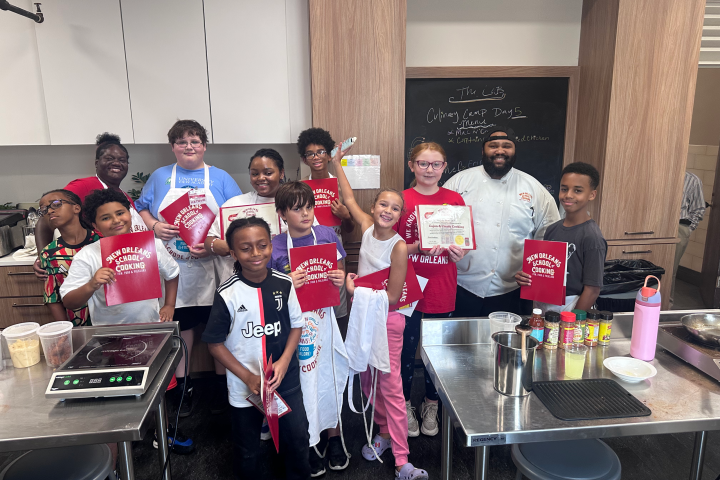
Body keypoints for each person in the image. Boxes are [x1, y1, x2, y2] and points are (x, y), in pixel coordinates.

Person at [58, 188, 192, 461]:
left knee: (159, 389)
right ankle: (115, 448)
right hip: (110, 339)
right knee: (115, 398)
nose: (116, 220)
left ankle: (162, 432)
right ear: (94, 226)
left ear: (129, 214)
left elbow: (173, 272)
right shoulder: (88, 256)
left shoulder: (150, 245)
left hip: (152, 332)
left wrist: (169, 305)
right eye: (106, 218)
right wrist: (93, 283)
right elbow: (70, 301)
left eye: (120, 213)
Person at [331, 149, 428, 480]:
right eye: (383, 204)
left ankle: (402, 461)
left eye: (395, 208)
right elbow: (347, 195)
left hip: (388, 319)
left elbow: (389, 296)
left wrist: (353, 288)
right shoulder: (367, 226)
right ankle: (384, 433)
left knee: (391, 387)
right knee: (368, 379)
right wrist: (336, 163)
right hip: (363, 317)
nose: (388, 210)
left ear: (401, 215)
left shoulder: (399, 246)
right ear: (373, 208)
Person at [135, 119, 243, 418]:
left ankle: (224, 389)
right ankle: (184, 389)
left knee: (219, 330)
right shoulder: (160, 177)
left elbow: (237, 217)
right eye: (181, 141)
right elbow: (140, 207)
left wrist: (217, 241)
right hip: (175, 270)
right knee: (181, 331)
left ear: (204, 145)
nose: (189, 146)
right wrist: (155, 225)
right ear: (173, 147)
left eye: (195, 140)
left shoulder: (219, 178)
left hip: (215, 267)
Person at [202, 217, 310, 480]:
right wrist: (248, 377)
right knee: (247, 448)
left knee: (296, 438)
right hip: (244, 386)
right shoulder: (227, 293)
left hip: (285, 380)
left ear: (271, 246)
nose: (255, 254)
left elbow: (297, 326)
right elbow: (215, 344)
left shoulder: (284, 284)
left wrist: (284, 361)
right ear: (233, 253)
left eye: (262, 245)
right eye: (246, 248)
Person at [269, 181, 349, 476]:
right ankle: (308, 441)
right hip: (295, 325)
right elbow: (272, 293)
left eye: (309, 207)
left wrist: (339, 278)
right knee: (302, 382)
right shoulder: (275, 246)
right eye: (297, 209)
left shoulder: (327, 234)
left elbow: (340, 268)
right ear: (282, 214)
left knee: (329, 373)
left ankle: (334, 436)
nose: (305, 214)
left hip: (325, 319)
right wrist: (289, 283)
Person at [443, 127, 560, 317]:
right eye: (493, 146)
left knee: (505, 344)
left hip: (513, 288)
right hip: (462, 285)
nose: (500, 151)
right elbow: (441, 226)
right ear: (483, 151)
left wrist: (535, 270)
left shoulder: (533, 188)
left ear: (514, 151)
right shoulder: (459, 183)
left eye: (507, 146)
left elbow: (549, 233)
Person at [204, 147, 286, 415]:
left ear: (281, 173)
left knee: (281, 349)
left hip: (283, 290)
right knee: (246, 349)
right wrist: (233, 246)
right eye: (255, 173)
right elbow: (209, 241)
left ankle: (280, 408)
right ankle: (254, 411)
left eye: (268, 172)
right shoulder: (234, 205)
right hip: (241, 290)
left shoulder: (293, 203)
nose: (261, 178)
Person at [394, 142, 466, 438]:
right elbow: (390, 246)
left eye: (435, 164)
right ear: (411, 166)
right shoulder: (400, 199)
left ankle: (431, 404)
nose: (429, 170)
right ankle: (406, 406)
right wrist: (416, 247)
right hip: (407, 287)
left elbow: (461, 241)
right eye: (423, 163)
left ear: (444, 167)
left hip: (442, 286)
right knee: (405, 351)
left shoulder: (454, 199)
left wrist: (461, 252)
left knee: (438, 354)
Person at [33, 133, 146, 278]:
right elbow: (47, 218)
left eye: (122, 160)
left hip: (126, 267)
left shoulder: (124, 196)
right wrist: (42, 258)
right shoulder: (83, 186)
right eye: (109, 158)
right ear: (97, 163)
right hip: (95, 269)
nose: (116, 163)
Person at [515, 163, 607, 312]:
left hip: (572, 308)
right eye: (564, 189)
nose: (568, 195)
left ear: (592, 194)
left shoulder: (592, 237)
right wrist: (527, 278)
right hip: (544, 306)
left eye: (577, 190)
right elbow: (545, 270)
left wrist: (571, 322)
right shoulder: (552, 229)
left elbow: (592, 290)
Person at [298, 128, 355, 320]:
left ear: (329, 155)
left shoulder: (340, 185)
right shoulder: (300, 187)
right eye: (310, 153)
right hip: (305, 252)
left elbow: (350, 229)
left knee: (336, 305)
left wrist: (346, 216)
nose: (316, 157)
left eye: (321, 151)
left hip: (335, 252)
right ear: (304, 159)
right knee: (310, 306)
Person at [38, 189, 100, 325]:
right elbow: (52, 296)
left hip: (109, 319)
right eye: (44, 209)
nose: (49, 211)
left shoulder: (101, 241)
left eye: (56, 204)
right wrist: (66, 330)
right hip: (78, 323)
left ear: (76, 208)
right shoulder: (49, 254)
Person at [671, 171, 706, 306]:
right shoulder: (657, 173)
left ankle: (666, 307)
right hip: (655, 225)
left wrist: (687, 230)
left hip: (680, 226)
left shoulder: (692, 180)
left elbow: (699, 208)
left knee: (671, 271)